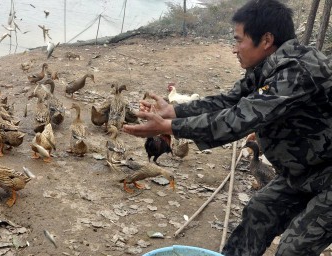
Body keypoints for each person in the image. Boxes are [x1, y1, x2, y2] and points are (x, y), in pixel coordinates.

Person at [122, 0, 332, 255]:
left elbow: (239, 119)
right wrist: (175, 111)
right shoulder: (268, 67)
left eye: (239, 40)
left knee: (293, 248)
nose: (234, 49)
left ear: (266, 40)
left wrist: (170, 127)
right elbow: (230, 100)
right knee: (258, 212)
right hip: (303, 173)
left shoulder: (298, 70)